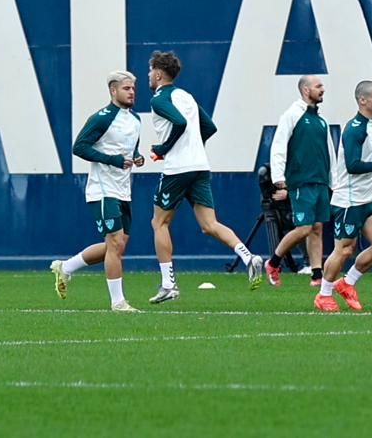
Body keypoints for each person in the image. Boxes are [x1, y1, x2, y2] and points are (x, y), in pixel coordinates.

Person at [145, 50, 265, 302]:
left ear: (158, 74)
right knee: (209, 224)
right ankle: (248, 257)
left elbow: (179, 123)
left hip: (177, 169)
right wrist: (194, 149)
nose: (149, 75)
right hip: (200, 166)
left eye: (150, 71)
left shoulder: (159, 99)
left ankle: (168, 284)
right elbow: (209, 126)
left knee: (159, 223)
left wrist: (164, 149)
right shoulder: (186, 96)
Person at [50, 70, 145, 312]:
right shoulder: (102, 118)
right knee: (115, 243)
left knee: (117, 245)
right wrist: (112, 160)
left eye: (133, 88)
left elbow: (128, 149)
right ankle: (118, 302)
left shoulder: (135, 120)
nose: (131, 92)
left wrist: (137, 157)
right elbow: (79, 147)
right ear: (113, 90)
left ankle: (66, 267)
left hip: (123, 190)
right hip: (102, 189)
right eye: (126, 88)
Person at [319, 80, 372, 312]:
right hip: (349, 201)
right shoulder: (355, 129)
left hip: (368, 199)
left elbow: (366, 161)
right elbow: (352, 165)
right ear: (362, 100)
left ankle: (347, 282)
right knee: (344, 250)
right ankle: (324, 294)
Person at [265, 75, 330, 288]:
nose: (322, 89)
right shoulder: (292, 114)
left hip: (320, 182)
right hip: (301, 182)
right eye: (318, 86)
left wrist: (333, 182)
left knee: (317, 228)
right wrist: (278, 177)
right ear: (305, 90)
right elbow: (279, 145)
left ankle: (317, 275)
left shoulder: (321, 120)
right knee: (304, 228)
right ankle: (273, 263)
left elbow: (329, 153)